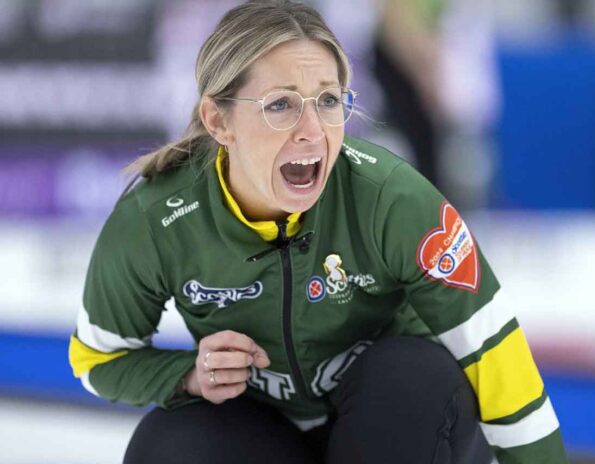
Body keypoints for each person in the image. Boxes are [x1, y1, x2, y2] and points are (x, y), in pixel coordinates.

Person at [68, 1, 568, 463]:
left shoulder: (391, 198)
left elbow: (497, 356)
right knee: (170, 445)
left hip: (396, 431)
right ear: (218, 120)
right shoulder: (156, 218)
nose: (312, 130)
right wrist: (186, 376)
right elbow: (97, 359)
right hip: (266, 433)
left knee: (413, 377)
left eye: (328, 101)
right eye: (280, 105)